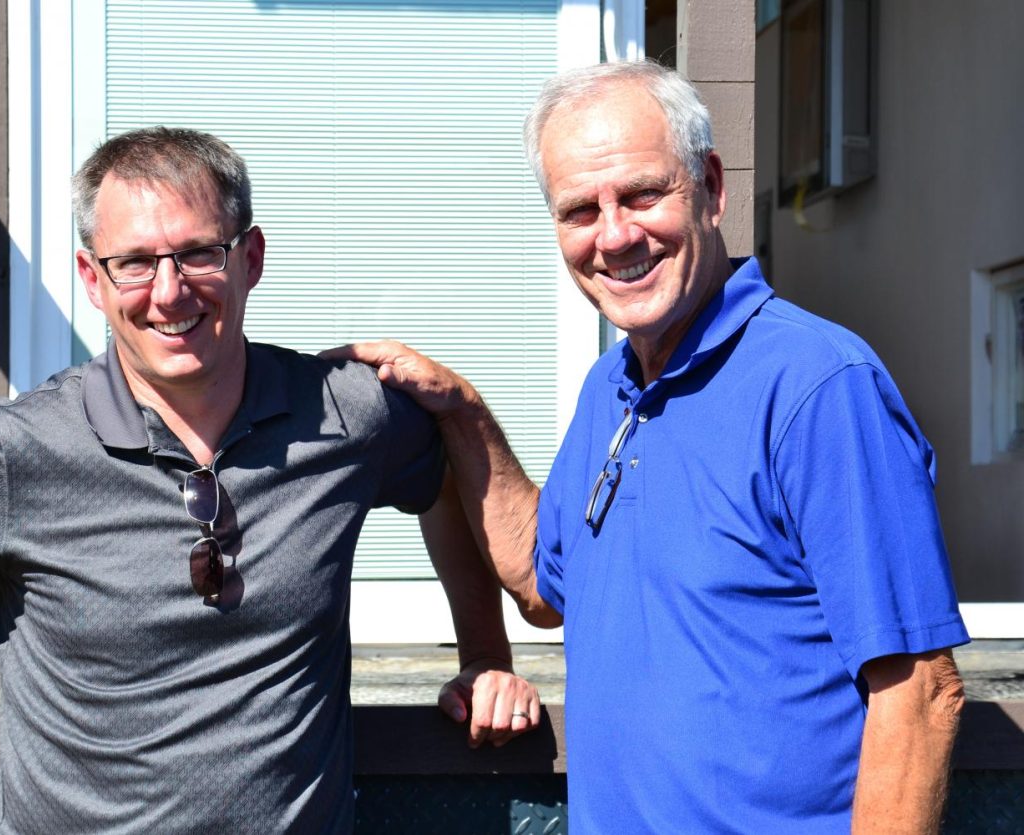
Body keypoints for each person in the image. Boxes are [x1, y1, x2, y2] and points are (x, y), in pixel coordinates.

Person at [0, 127, 540, 834]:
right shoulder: (17, 449)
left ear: (250, 258)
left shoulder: (345, 414)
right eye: (133, 262)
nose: (168, 292)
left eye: (199, 253)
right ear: (91, 280)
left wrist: (483, 655)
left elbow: (445, 473)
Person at [329, 60, 969, 832]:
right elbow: (542, 578)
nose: (616, 235)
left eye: (641, 194)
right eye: (580, 210)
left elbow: (921, 692)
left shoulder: (819, 387)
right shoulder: (612, 385)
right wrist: (463, 415)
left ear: (710, 186)